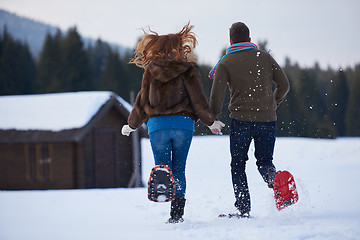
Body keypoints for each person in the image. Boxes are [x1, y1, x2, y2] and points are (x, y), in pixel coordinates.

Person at [121, 23, 224, 223]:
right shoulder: (188, 69)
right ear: (179, 46)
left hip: (157, 126)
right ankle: (177, 214)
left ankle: (162, 176)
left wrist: (132, 124)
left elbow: (142, 101)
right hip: (183, 125)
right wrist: (211, 122)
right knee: (179, 169)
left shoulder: (151, 71)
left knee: (164, 166)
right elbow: (198, 100)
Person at [209, 22, 290, 217]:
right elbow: (284, 85)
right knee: (264, 161)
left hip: (240, 121)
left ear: (230, 41)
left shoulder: (225, 63)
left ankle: (243, 208)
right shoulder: (265, 57)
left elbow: (216, 97)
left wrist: (212, 118)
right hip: (267, 120)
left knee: (238, 164)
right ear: (250, 39)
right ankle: (275, 179)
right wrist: (273, 103)